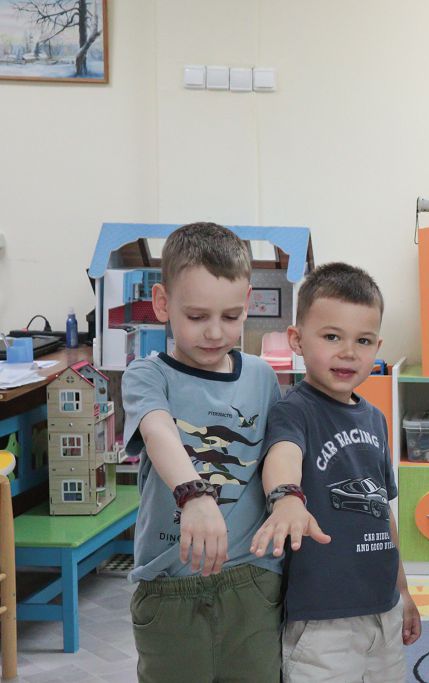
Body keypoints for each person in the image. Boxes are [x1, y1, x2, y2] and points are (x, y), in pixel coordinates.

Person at [122, 222, 283, 682]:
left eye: (231, 316)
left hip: (251, 581)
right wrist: (193, 494)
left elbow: (277, 454)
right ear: (162, 304)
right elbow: (158, 431)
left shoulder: (261, 377)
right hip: (170, 587)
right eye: (196, 317)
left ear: (247, 302)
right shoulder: (148, 374)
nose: (215, 332)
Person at [250, 262, 421, 682]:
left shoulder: (376, 419)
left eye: (363, 340)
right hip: (322, 619)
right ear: (297, 340)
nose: (348, 352)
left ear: (377, 345)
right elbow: (283, 454)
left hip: (382, 609)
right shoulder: (295, 410)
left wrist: (402, 590)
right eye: (332, 337)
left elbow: (382, 512)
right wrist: (286, 497)